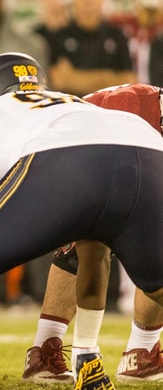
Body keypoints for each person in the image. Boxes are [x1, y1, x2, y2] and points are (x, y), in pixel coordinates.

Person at [0, 52, 163, 390]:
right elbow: (94, 250)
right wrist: (86, 353)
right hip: (149, 148)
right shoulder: (73, 104)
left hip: (68, 156)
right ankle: (89, 357)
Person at [22, 83, 163, 384]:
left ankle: (142, 351)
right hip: (60, 155)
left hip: (99, 156)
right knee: (90, 241)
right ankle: (51, 350)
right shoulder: (130, 110)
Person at [46, 0, 136, 96]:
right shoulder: (59, 36)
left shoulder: (117, 35)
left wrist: (74, 78)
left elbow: (129, 80)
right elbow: (58, 80)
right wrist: (109, 77)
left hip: (109, 109)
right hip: (73, 108)